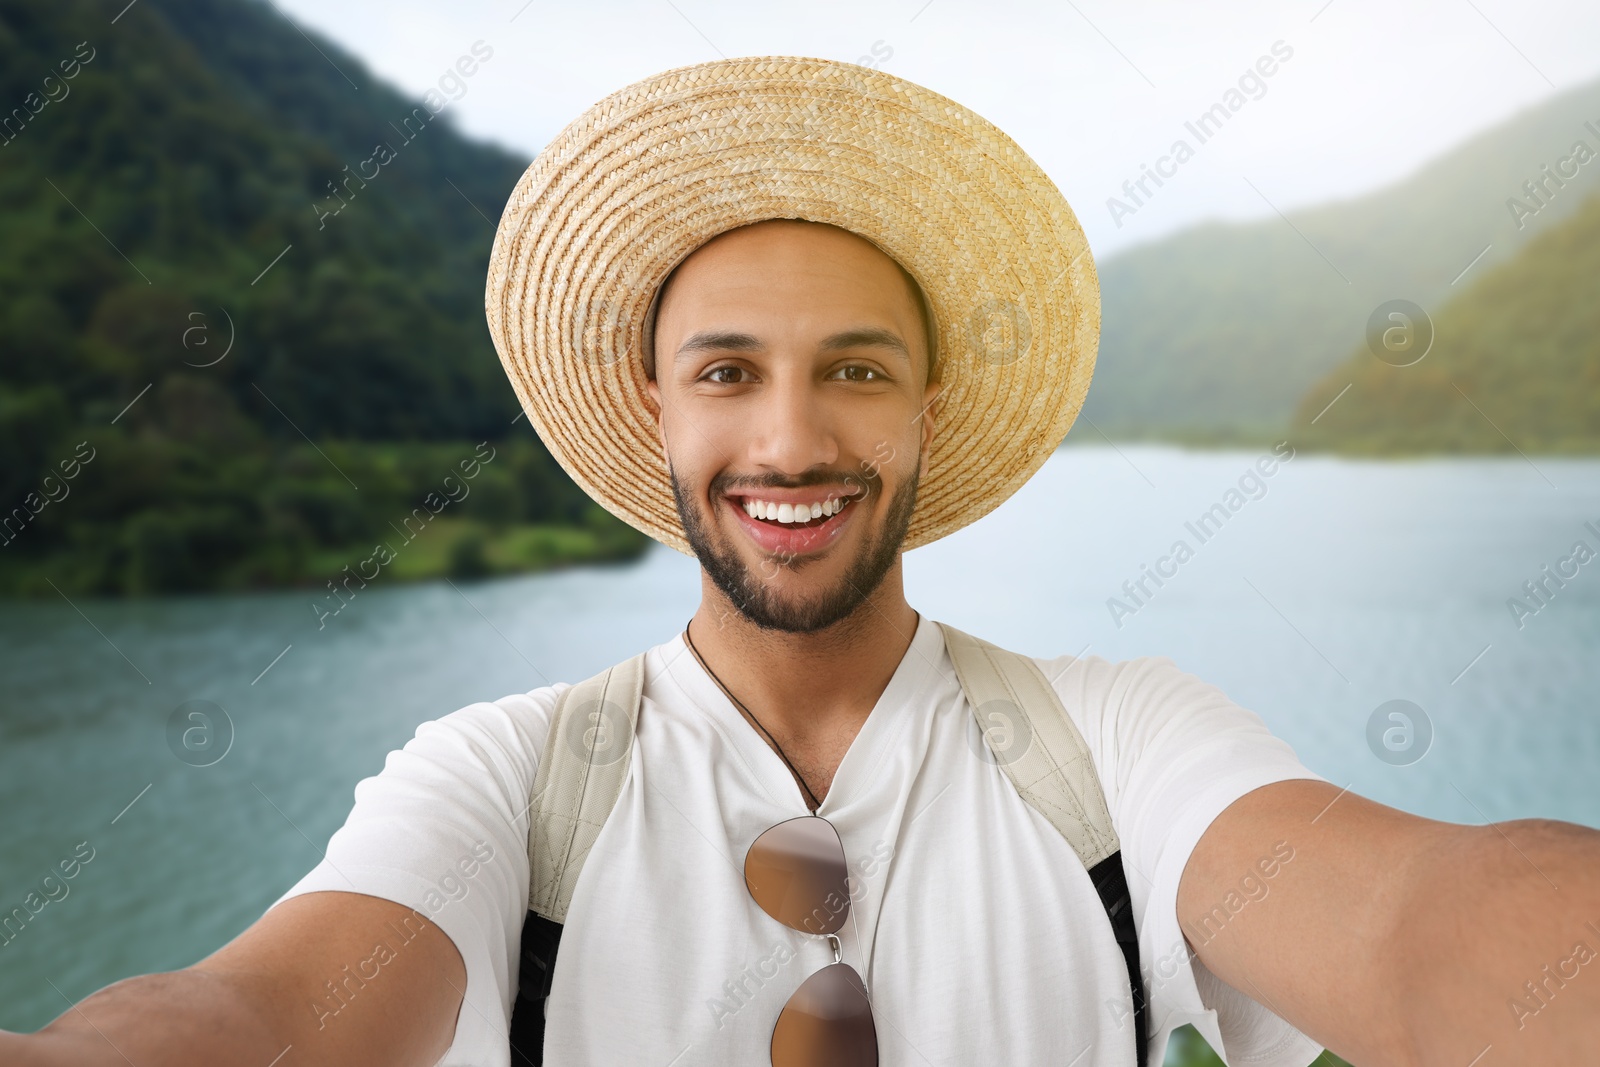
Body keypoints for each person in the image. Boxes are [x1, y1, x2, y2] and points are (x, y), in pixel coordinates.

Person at [7, 56, 1600, 1067]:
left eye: (853, 367)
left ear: (925, 406)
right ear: (653, 406)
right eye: (724, 372)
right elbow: (252, 1018)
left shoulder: (1114, 747)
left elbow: (1419, 921)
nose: (788, 441)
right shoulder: (507, 782)